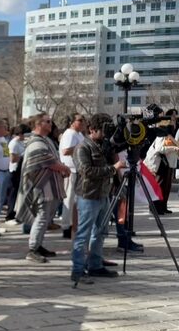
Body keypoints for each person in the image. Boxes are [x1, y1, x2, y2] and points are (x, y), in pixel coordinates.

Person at [70, 114, 126, 286]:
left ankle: (95, 265)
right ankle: (78, 271)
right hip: (88, 196)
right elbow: (87, 171)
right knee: (83, 235)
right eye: (103, 130)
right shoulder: (82, 147)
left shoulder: (104, 145)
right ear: (92, 130)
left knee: (100, 233)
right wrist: (113, 168)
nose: (106, 133)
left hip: (103, 195)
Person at [15, 113, 71, 263]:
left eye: (50, 121)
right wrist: (63, 168)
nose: (51, 124)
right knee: (41, 218)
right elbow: (47, 161)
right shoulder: (35, 142)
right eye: (47, 121)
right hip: (41, 187)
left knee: (45, 218)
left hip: (49, 186)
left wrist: (61, 169)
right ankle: (33, 249)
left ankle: (38, 246)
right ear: (38, 124)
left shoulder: (45, 140)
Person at [59, 113, 86, 239]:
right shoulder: (70, 134)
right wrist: (80, 147)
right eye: (80, 120)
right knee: (69, 199)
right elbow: (65, 150)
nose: (83, 122)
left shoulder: (79, 134)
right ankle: (66, 226)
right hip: (70, 170)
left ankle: (74, 224)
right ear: (72, 122)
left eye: (83, 120)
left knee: (76, 200)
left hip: (78, 170)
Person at [144, 114, 179, 215]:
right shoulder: (162, 133)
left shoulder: (169, 133)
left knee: (165, 187)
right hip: (159, 164)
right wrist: (174, 148)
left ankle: (163, 207)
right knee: (158, 186)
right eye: (172, 121)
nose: (174, 123)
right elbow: (160, 149)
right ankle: (155, 208)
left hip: (166, 163)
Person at [5, 123, 29, 224]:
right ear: (20, 134)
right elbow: (12, 158)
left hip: (21, 170)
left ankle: (17, 214)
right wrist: (24, 157)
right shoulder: (13, 143)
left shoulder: (22, 142)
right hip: (14, 171)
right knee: (13, 193)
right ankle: (9, 216)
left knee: (19, 193)